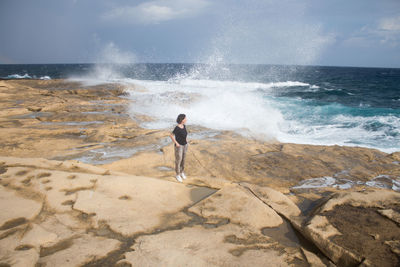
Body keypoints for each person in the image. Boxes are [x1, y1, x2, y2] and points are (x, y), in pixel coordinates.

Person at [169, 114, 188, 182]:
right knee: (178, 160)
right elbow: (171, 135)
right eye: (185, 118)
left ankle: (182, 172)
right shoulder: (177, 128)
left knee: (183, 159)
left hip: (185, 145)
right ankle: (177, 174)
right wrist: (176, 143)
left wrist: (186, 139)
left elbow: (185, 134)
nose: (186, 119)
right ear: (182, 120)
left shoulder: (184, 126)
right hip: (179, 146)